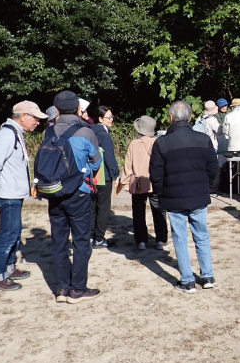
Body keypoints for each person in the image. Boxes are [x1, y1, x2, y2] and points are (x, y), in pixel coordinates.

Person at [149, 100, 218, 293]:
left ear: (171, 119)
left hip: (173, 197)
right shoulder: (203, 139)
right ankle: (207, 276)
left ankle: (187, 281)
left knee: (180, 237)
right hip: (198, 196)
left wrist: (161, 193)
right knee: (201, 235)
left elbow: (156, 173)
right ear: (190, 117)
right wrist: (206, 187)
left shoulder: (161, 142)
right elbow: (213, 167)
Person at [0, 100, 47, 291]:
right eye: (35, 118)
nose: (38, 122)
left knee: (15, 233)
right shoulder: (7, 134)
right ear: (23, 116)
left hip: (14, 193)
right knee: (8, 235)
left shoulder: (15, 133)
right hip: (7, 194)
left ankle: (10, 268)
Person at [48, 91, 103, 303]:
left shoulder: (49, 131)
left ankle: (61, 288)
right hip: (78, 191)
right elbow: (97, 161)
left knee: (59, 241)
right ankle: (78, 289)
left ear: (58, 110)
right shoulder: (85, 131)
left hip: (54, 191)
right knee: (81, 241)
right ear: (78, 109)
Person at [121, 116, 168, 251]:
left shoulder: (133, 144)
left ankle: (141, 241)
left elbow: (128, 165)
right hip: (155, 181)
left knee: (138, 212)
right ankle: (161, 240)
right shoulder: (159, 142)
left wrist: (125, 182)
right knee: (159, 211)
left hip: (138, 182)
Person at [89, 105, 120, 249]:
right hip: (104, 176)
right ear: (100, 119)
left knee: (91, 207)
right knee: (103, 208)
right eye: (109, 117)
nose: (111, 120)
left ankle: (90, 236)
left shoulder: (87, 132)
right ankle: (99, 238)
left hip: (90, 176)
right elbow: (109, 158)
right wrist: (115, 174)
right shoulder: (103, 134)